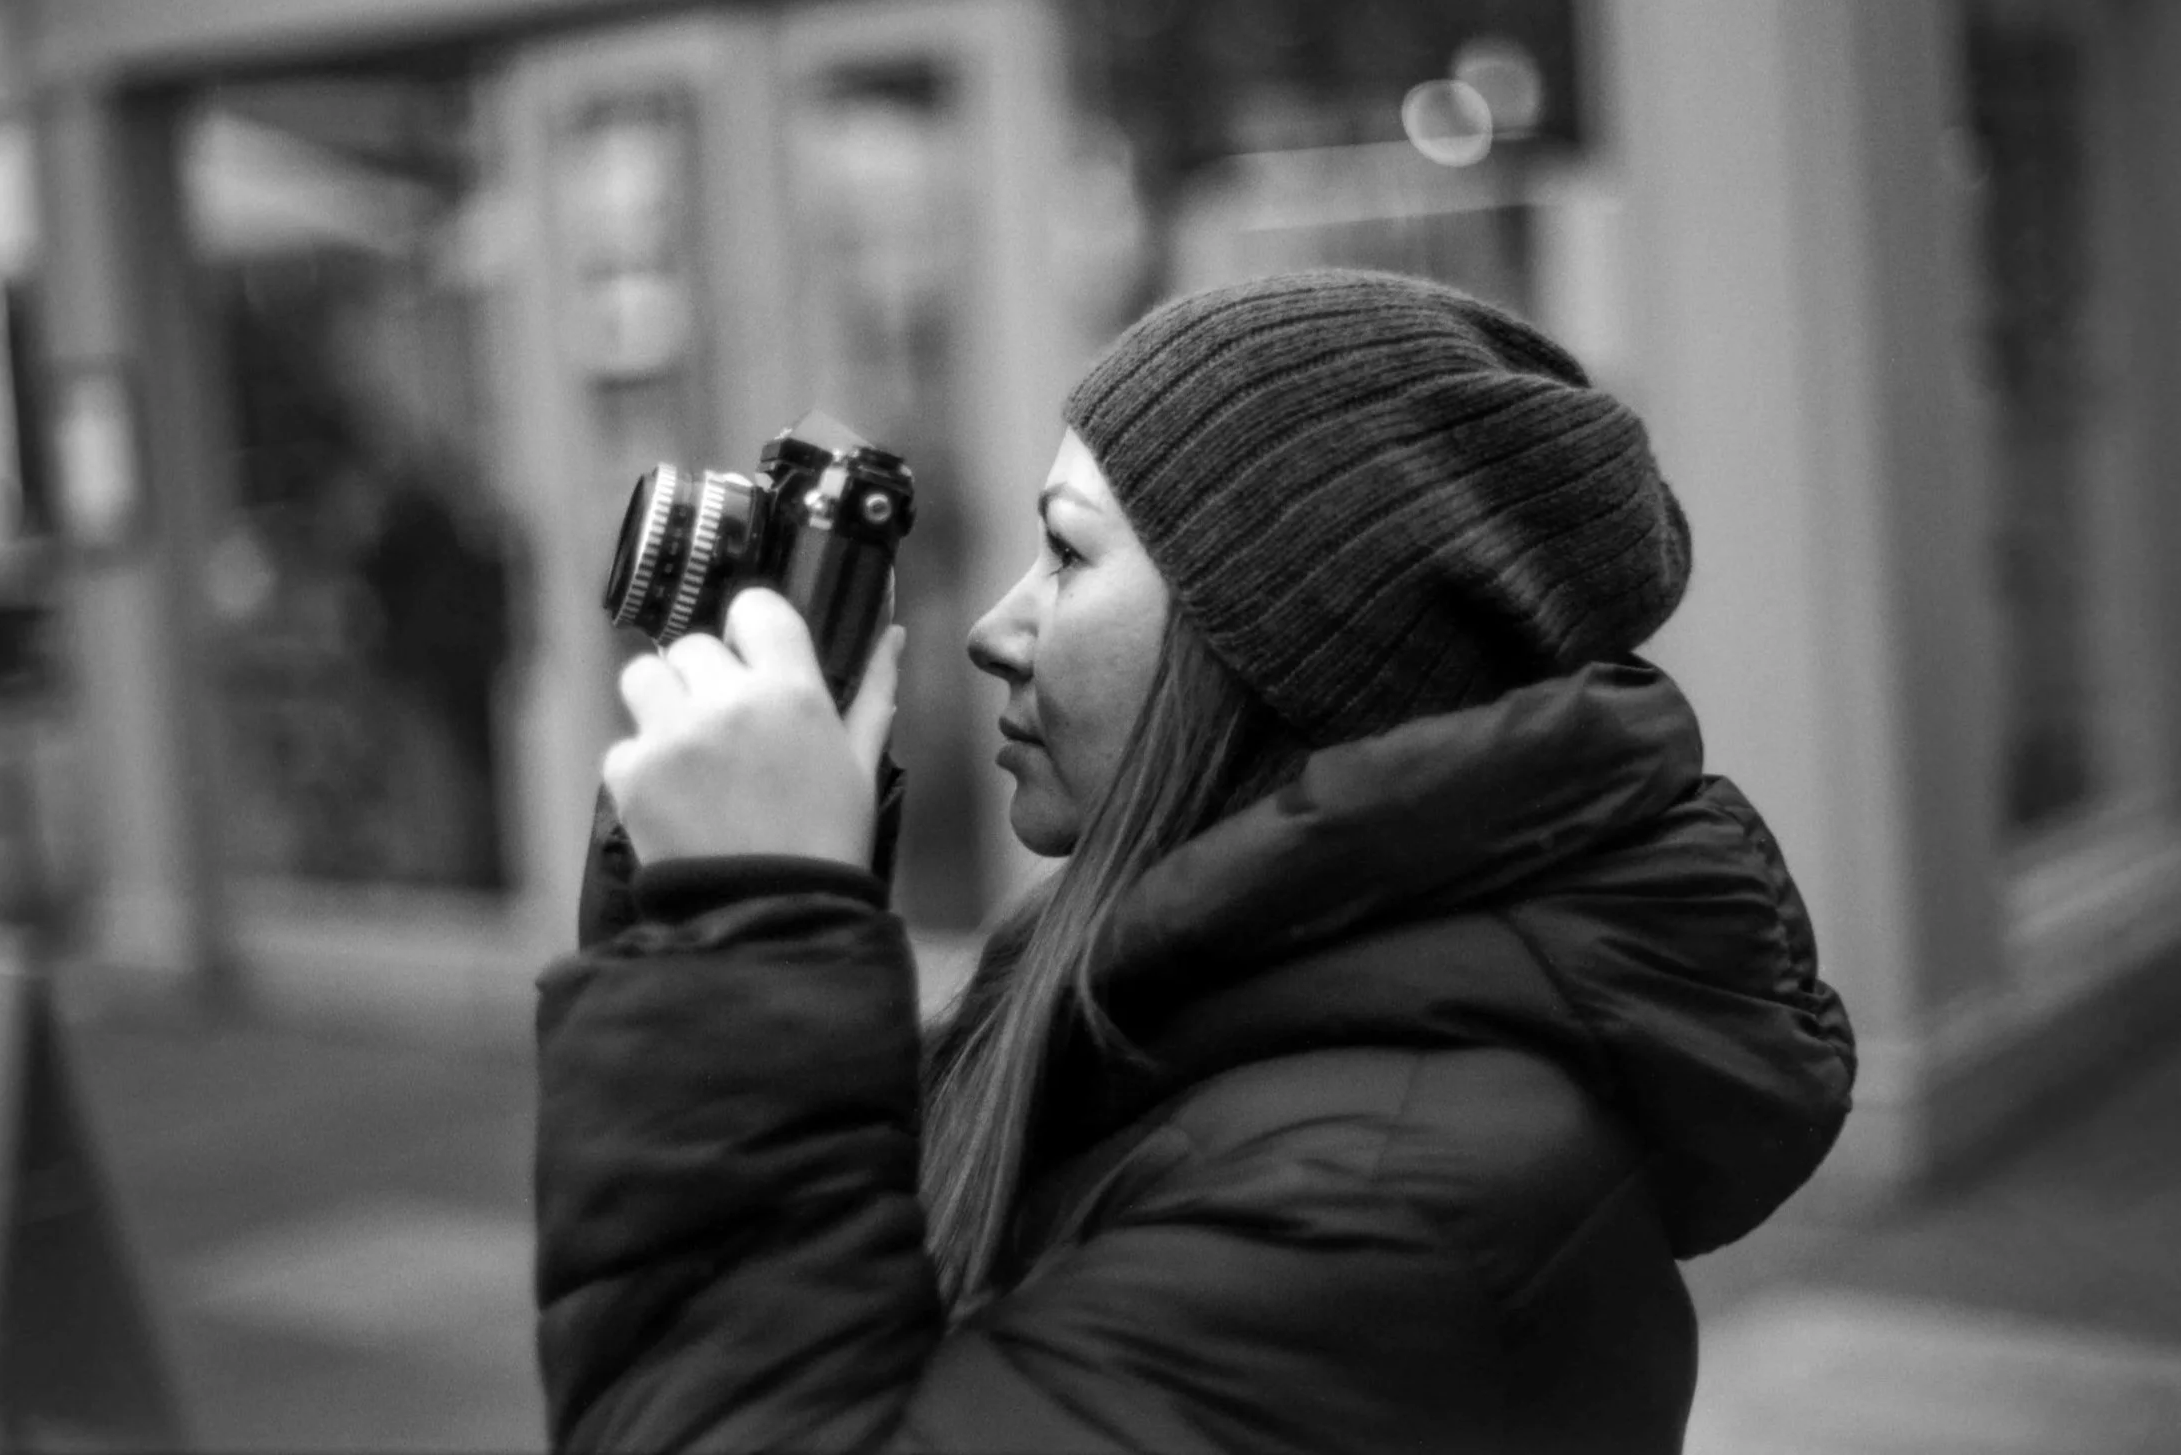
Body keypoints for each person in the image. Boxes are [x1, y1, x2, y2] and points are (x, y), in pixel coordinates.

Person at [534, 269, 1857, 1454]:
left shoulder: (1379, 1209)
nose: (995, 627)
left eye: (1064, 549)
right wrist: (687, 918)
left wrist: (745, 931)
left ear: (1276, 643)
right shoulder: (1162, 1003)